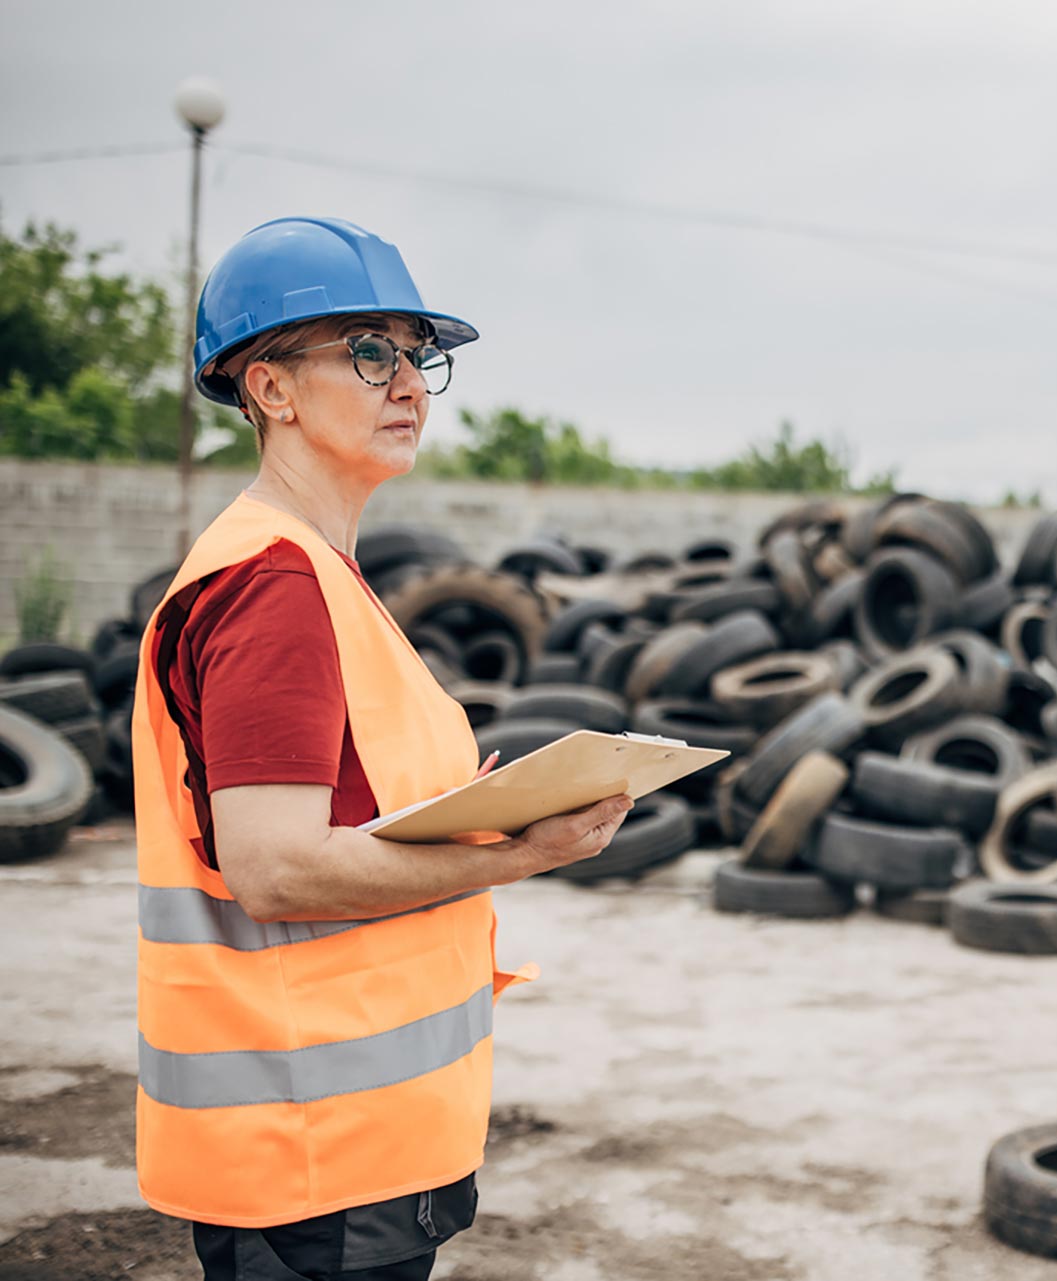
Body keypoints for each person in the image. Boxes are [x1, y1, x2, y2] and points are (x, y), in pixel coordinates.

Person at [131, 216, 632, 1280]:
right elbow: (276, 869)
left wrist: (484, 810)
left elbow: (344, 822)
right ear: (269, 388)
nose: (409, 383)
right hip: (312, 1155)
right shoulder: (274, 589)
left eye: (419, 355)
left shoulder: (317, 575)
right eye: (369, 352)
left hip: (348, 1145)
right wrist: (520, 853)